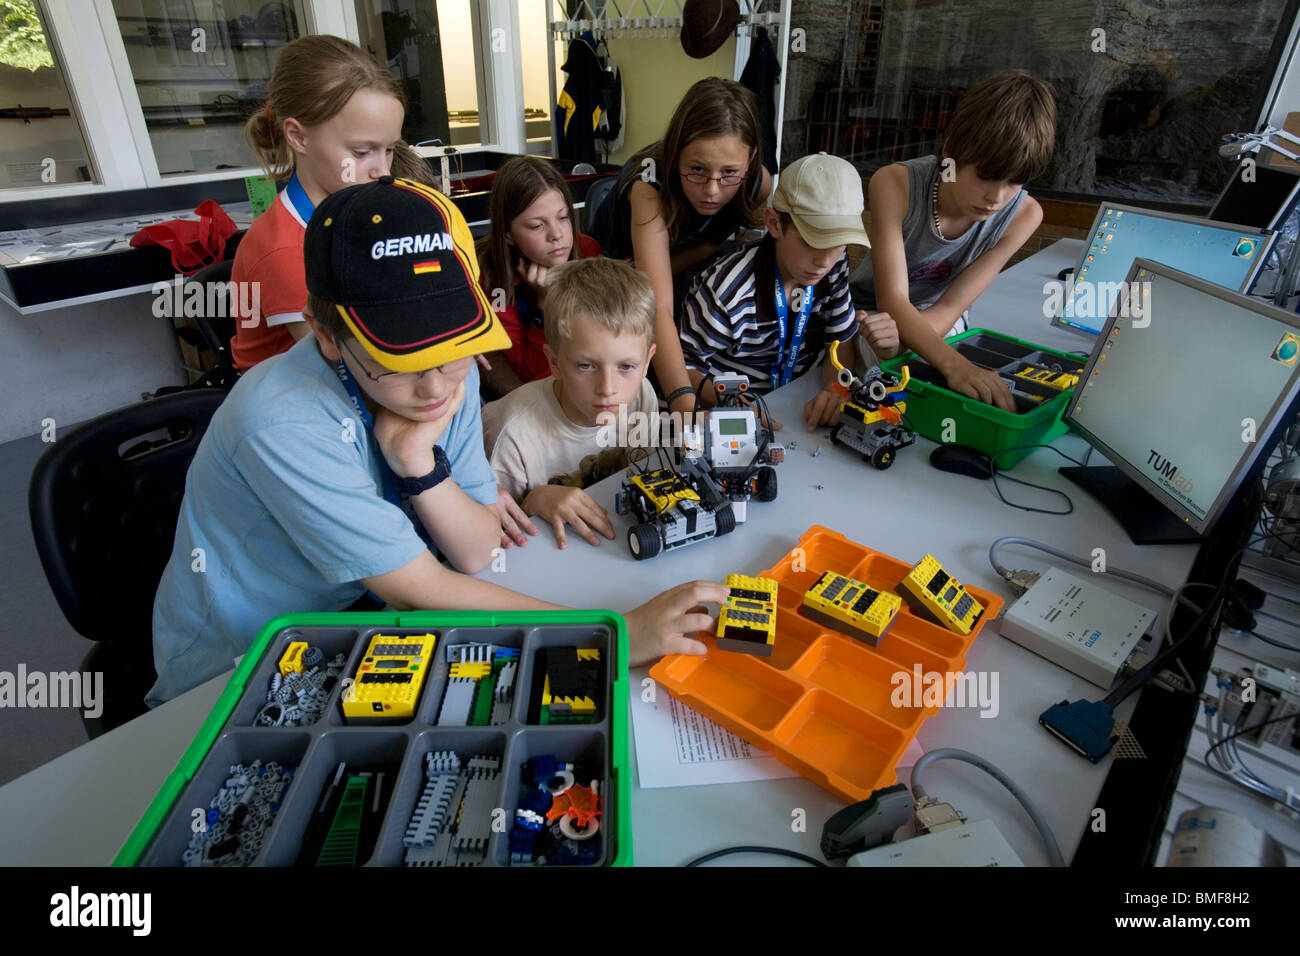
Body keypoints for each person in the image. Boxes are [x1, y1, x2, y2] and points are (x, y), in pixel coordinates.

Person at [149, 176, 723, 705]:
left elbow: (476, 550)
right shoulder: (281, 423)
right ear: (325, 334)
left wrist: (418, 463)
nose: (435, 389)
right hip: (236, 670)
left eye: (452, 350)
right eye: (401, 362)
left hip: (363, 620)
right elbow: (417, 588)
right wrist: (614, 634)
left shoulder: (458, 375)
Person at [850, 69, 1056, 411]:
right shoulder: (894, 184)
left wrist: (904, 346)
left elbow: (950, 306)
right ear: (952, 151)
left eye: (1015, 181)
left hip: (937, 323)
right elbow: (893, 300)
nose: (997, 197)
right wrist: (952, 365)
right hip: (870, 316)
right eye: (986, 175)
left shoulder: (1024, 216)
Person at [229, 35, 405, 373]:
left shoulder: (353, 210)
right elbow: (348, 370)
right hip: (296, 399)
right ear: (298, 136)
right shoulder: (285, 250)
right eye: (361, 152)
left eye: (390, 149)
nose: (383, 171)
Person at [604, 77, 772, 416]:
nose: (712, 190)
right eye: (697, 170)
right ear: (675, 152)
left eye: (729, 173)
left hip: (684, 266)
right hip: (621, 285)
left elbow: (715, 244)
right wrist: (682, 402)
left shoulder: (759, 182)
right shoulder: (647, 188)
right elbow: (657, 305)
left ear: (751, 159)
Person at [680, 152, 876, 431]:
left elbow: (839, 340)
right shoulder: (724, 293)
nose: (824, 261)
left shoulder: (834, 266)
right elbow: (682, 370)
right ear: (773, 223)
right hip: (732, 413)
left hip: (797, 402)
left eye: (839, 243)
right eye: (811, 241)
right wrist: (730, 400)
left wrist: (836, 390)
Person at [483, 258, 657, 550]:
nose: (608, 389)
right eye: (586, 366)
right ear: (554, 362)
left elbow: (644, 476)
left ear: (647, 363)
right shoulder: (511, 433)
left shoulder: (642, 395)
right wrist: (533, 501)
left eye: (626, 366)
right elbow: (490, 538)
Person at [475, 156, 602, 398]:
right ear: (508, 235)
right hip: (533, 395)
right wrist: (546, 304)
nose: (557, 235)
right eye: (536, 226)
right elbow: (526, 371)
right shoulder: (492, 281)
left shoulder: (588, 252)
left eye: (563, 217)